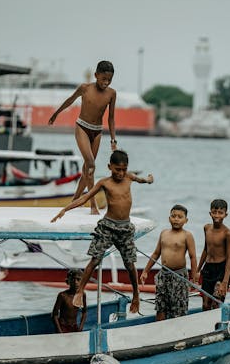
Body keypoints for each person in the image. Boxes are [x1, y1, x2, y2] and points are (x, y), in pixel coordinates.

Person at [51, 150, 153, 314]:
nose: (120, 173)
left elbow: (141, 180)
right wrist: (65, 209)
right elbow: (85, 197)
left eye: (123, 169)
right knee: (95, 259)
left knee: (129, 264)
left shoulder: (129, 177)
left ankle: (136, 295)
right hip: (108, 226)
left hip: (125, 227)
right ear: (109, 167)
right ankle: (79, 292)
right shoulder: (104, 183)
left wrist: (148, 180)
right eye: (117, 169)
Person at [48, 60, 117, 215]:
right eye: (103, 79)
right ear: (96, 75)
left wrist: (113, 139)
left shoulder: (112, 94)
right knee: (91, 165)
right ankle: (93, 205)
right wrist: (56, 113)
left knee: (87, 169)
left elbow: (111, 118)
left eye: (109, 80)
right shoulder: (85, 88)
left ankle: (74, 202)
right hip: (82, 128)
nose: (106, 83)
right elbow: (70, 100)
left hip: (97, 131)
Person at [139, 204, 198, 321]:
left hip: (179, 275)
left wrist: (194, 277)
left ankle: (177, 330)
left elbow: (193, 257)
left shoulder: (187, 235)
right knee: (160, 305)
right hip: (163, 275)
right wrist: (146, 271)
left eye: (180, 217)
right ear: (169, 218)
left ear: (186, 220)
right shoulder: (164, 233)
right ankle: (159, 328)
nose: (176, 219)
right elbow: (156, 253)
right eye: (173, 216)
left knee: (178, 306)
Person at [198, 199, 230, 310]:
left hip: (221, 270)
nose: (217, 215)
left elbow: (229, 258)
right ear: (210, 213)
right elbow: (205, 249)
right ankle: (206, 326)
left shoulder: (227, 233)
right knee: (205, 305)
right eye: (214, 212)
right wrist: (197, 270)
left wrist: (225, 282)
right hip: (208, 269)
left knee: (216, 303)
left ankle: (219, 326)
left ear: (225, 215)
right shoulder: (207, 228)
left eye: (220, 213)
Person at [52, 269, 87, 333]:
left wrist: (80, 328)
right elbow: (54, 315)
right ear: (68, 281)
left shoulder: (82, 295)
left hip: (74, 327)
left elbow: (84, 312)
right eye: (73, 279)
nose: (75, 282)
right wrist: (59, 330)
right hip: (63, 327)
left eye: (78, 280)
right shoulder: (62, 295)